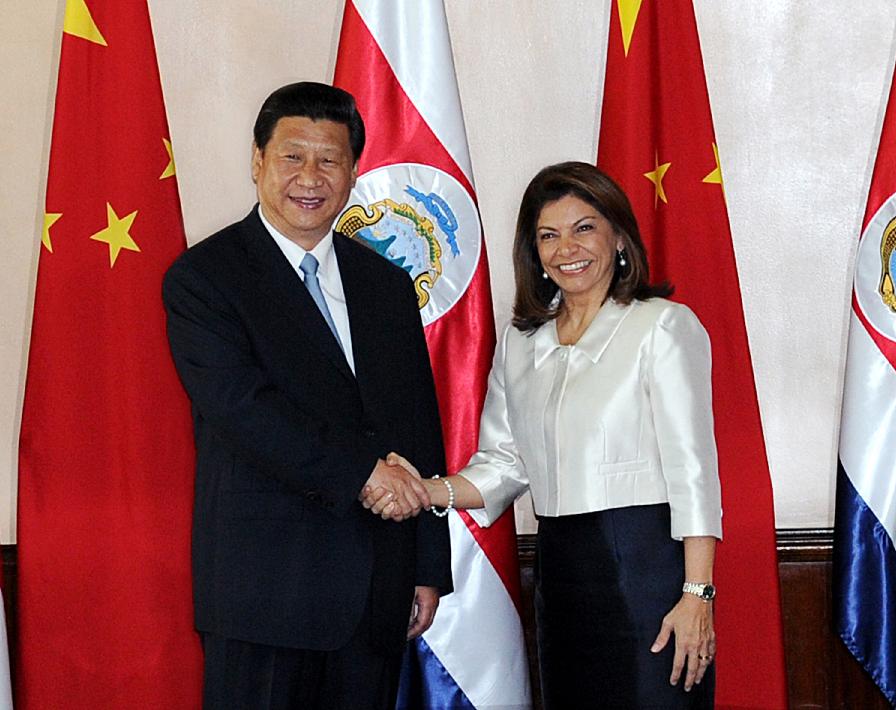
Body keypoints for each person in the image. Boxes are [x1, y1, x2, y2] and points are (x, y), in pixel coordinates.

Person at [367, 162, 723, 709]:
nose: (567, 248)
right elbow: (505, 465)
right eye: (548, 235)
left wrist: (697, 595)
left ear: (619, 237)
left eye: (584, 228)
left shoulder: (662, 326)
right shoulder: (520, 342)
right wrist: (426, 490)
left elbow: (694, 469)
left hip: (648, 568)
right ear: (534, 252)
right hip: (560, 572)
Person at [162, 82, 451, 710]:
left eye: (330, 159)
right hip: (265, 592)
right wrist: (364, 475)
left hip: (378, 586)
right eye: (292, 156)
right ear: (258, 161)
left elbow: (416, 424)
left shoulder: (388, 285)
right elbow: (245, 410)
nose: (309, 176)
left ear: (353, 174)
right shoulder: (205, 278)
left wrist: (427, 564)